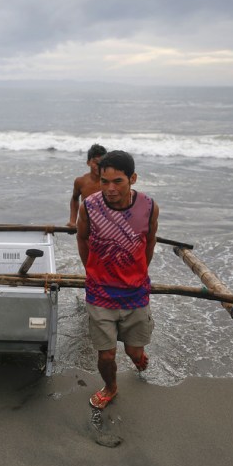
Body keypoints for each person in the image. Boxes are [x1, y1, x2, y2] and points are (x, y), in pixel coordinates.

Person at [76, 150, 159, 410]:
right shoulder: (89, 206)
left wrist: (141, 270)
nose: (110, 189)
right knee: (106, 354)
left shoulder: (148, 206)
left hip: (135, 293)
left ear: (132, 178)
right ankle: (110, 387)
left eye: (117, 181)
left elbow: (150, 240)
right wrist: (91, 270)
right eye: (104, 181)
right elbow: (82, 238)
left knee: (135, 353)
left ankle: (138, 354)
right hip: (100, 293)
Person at [67, 144, 107, 227]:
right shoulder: (80, 182)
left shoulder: (110, 182)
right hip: (85, 225)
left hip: (106, 227)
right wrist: (72, 221)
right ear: (88, 162)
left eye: (102, 163)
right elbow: (75, 198)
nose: (98, 167)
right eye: (96, 163)